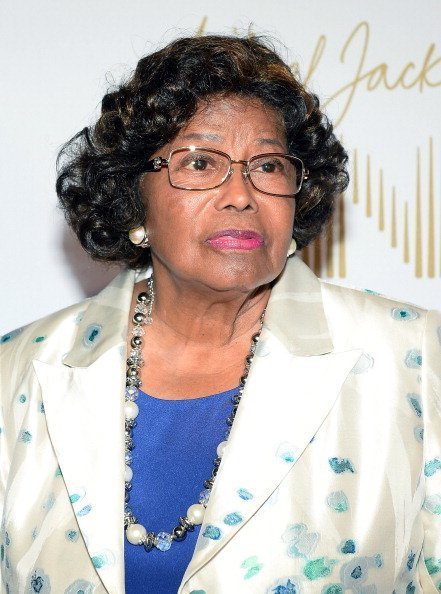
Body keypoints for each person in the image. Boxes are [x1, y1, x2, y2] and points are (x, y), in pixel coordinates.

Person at [0, 34, 440, 594]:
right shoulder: (17, 372)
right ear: (135, 198)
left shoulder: (416, 359)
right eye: (201, 162)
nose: (241, 193)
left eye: (269, 165)